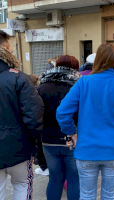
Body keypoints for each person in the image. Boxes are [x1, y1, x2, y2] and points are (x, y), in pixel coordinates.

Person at [56, 43, 114, 200]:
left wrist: (71, 132)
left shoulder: (83, 82)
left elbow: (62, 112)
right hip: (113, 151)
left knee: (87, 195)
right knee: (109, 195)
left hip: (86, 150)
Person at [0, 30, 44, 200]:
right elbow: (34, 117)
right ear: (6, 49)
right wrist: (34, 144)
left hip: (18, 147)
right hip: (19, 148)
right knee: (22, 184)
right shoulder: (19, 78)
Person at [38, 55, 81, 200]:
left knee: (55, 178)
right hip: (72, 138)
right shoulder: (77, 85)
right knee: (74, 178)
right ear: (75, 68)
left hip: (48, 140)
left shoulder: (42, 86)